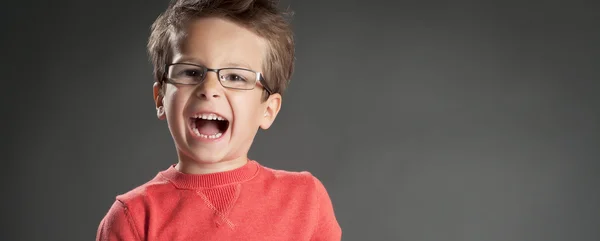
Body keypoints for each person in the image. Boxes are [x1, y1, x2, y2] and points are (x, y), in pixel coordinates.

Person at [95, 0, 342, 240]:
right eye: (191, 72)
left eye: (235, 77)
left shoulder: (306, 201)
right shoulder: (134, 218)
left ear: (268, 110)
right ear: (161, 99)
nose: (209, 88)